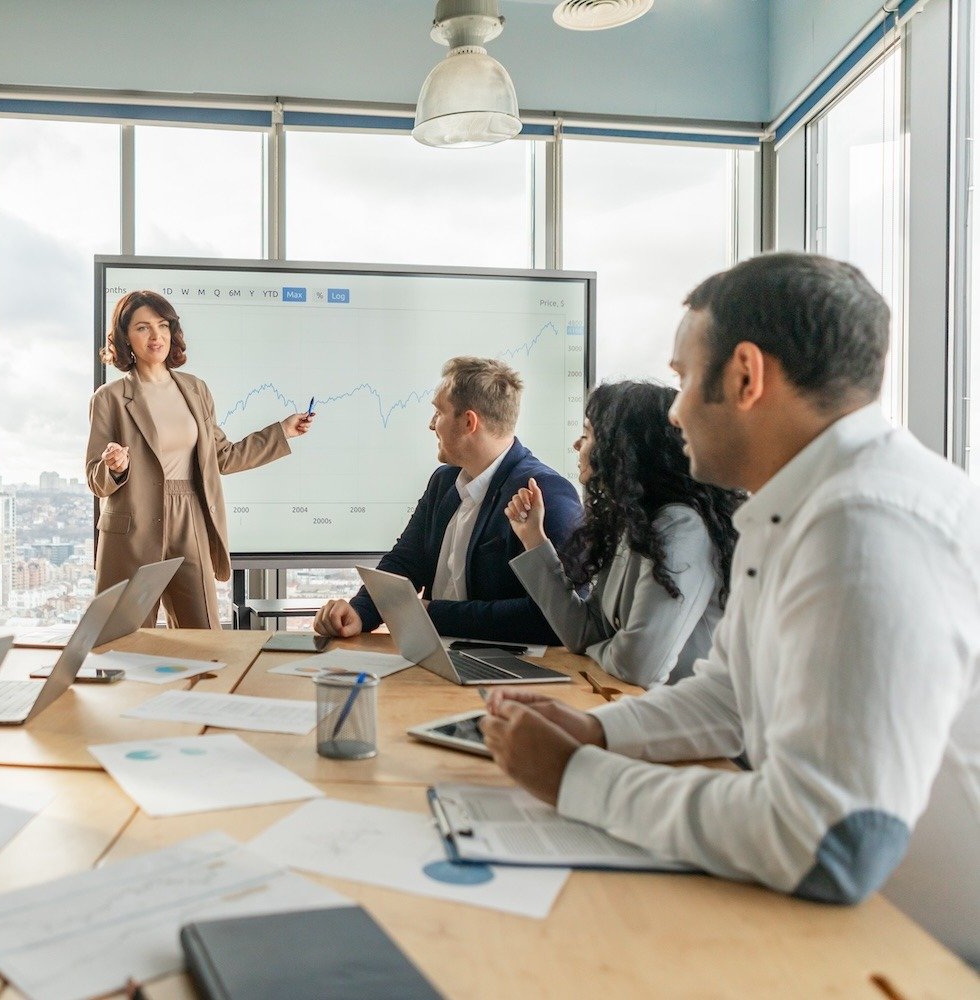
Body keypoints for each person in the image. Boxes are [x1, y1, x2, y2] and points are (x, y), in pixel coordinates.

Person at [480, 253, 980, 965]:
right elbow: (730, 695)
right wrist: (594, 729)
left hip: (921, 958)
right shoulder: (800, 507)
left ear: (746, 376)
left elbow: (829, 842)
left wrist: (576, 778)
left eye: (683, 379)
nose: (675, 410)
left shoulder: (865, 525)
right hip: (854, 930)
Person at [313, 357, 582, 643]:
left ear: (468, 421)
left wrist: (433, 615)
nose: (431, 425)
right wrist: (360, 612)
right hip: (435, 655)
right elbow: (406, 561)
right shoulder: (443, 483)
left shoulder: (547, 493)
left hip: (504, 668)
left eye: (438, 412)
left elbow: (552, 617)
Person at [87, 290, 314, 628]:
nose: (156, 336)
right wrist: (115, 467)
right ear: (125, 337)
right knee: (124, 639)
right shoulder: (110, 398)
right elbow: (95, 476)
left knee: (204, 635)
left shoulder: (195, 389)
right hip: (132, 525)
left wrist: (282, 432)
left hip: (189, 515)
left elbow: (223, 456)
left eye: (162, 326)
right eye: (143, 328)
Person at [503, 380, 742, 686]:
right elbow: (583, 634)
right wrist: (534, 539)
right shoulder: (632, 525)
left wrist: (602, 649)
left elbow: (638, 666)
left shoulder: (681, 526)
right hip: (643, 706)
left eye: (588, 434)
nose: (577, 445)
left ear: (622, 449)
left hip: (692, 722)